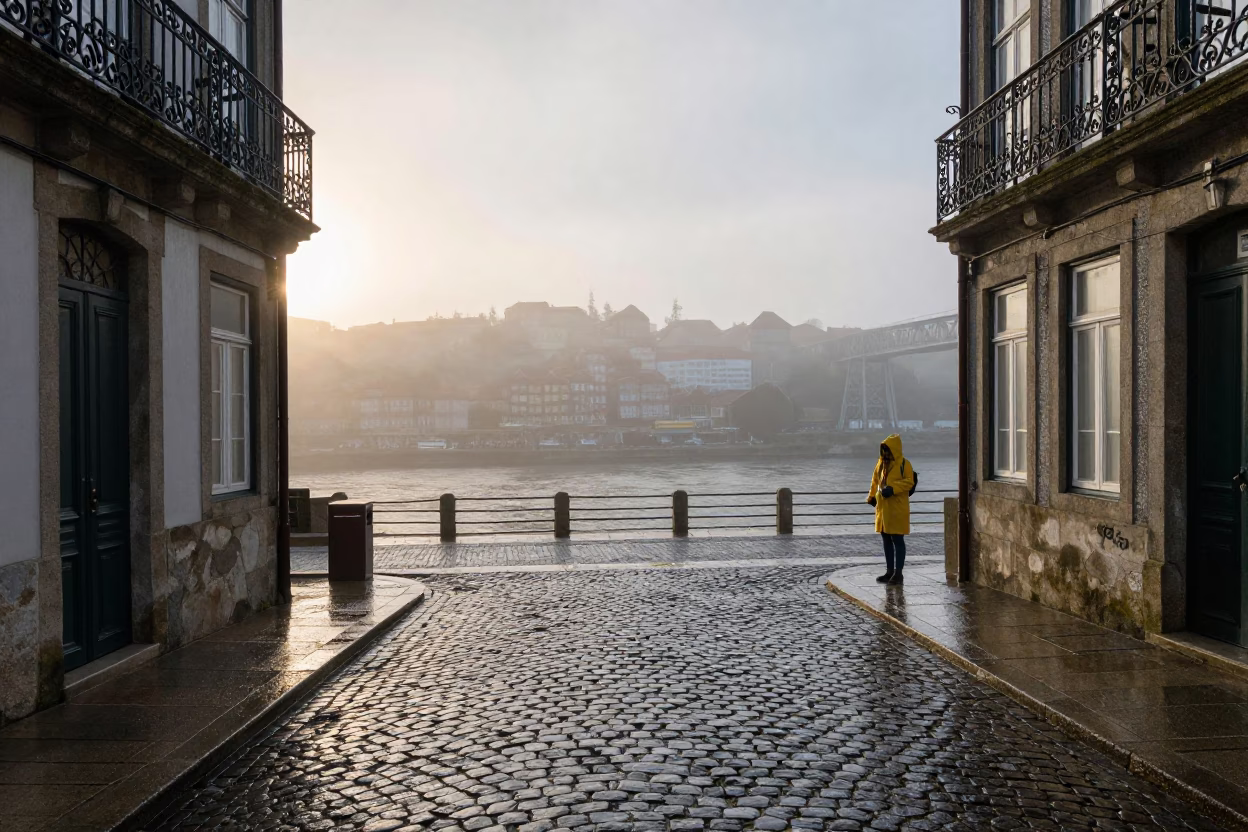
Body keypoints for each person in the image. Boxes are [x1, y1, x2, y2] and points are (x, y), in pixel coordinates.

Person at [866, 433, 913, 585]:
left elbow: (909, 482)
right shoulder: (880, 465)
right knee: (886, 539)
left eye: (888, 450)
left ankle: (898, 573)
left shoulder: (904, 465)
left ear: (895, 450)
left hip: (897, 508)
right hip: (883, 509)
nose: (885, 454)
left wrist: (893, 489)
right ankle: (889, 571)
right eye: (883, 450)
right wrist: (871, 497)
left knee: (898, 539)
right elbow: (875, 481)